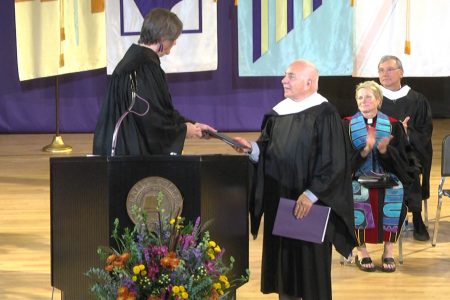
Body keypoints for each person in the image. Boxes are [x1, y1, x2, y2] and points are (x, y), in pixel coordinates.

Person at [233, 60, 356, 300]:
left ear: (309, 82)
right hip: (280, 203)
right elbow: (270, 149)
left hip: (311, 206)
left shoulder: (326, 113)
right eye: (284, 75)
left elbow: (335, 161)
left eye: (290, 76)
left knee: (310, 271)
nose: (283, 81)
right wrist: (253, 149)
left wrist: (311, 194)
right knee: (285, 270)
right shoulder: (279, 112)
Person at [93, 8, 215, 156]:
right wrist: (183, 131)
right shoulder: (145, 67)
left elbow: (159, 110)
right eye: (173, 38)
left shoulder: (131, 61)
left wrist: (193, 125)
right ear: (162, 38)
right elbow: (151, 119)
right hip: (130, 153)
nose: (175, 42)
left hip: (117, 145)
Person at [343, 81, 411, 272]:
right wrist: (364, 151)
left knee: (396, 190)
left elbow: (403, 162)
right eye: (360, 97)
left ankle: (388, 250)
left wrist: (384, 152)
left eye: (368, 97)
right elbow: (341, 160)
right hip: (355, 175)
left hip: (387, 176)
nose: (363, 101)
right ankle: (361, 251)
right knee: (356, 192)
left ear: (378, 100)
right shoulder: (346, 125)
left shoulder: (393, 125)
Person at [377, 55, 433, 241]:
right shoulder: (373, 99)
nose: (385, 74)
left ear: (401, 72)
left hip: (409, 152)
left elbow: (426, 131)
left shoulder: (417, 99)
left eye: (390, 69)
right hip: (380, 152)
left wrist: (406, 133)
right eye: (381, 70)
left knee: (410, 168)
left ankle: (417, 219)